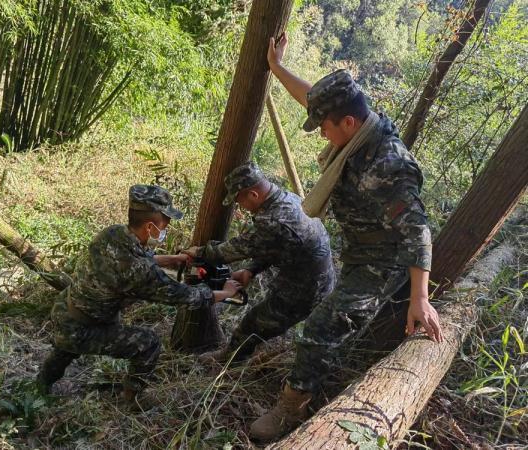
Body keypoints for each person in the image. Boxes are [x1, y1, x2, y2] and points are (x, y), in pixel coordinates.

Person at [245, 33, 443, 441]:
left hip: (383, 261)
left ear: (347, 123)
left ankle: (290, 408)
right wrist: (277, 66)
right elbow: (311, 98)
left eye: (324, 127)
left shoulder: (389, 165)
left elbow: (417, 229)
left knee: (319, 327)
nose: (321, 134)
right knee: (335, 319)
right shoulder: (357, 129)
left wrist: (420, 298)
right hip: (357, 250)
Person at [36, 184, 241, 404]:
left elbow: (132, 259)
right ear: (151, 226)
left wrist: (170, 259)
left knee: (63, 351)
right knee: (148, 343)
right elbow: (186, 297)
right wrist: (225, 292)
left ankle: (40, 385)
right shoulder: (140, 273)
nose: (167, 228)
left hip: (66, 310)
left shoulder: (112, 234)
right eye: (165, 223)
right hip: (85, 328)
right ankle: (132, 398)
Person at [183, 162, 335, 366]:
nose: (241, 207)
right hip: (321, 278)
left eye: (239, 201)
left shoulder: (272, 220)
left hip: (306, 288)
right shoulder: (287, 198)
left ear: (253, 194)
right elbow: (277, 245)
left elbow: (234, 249)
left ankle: (227, 363)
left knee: (253, 324)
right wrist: (251, 269)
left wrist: (201, 252)